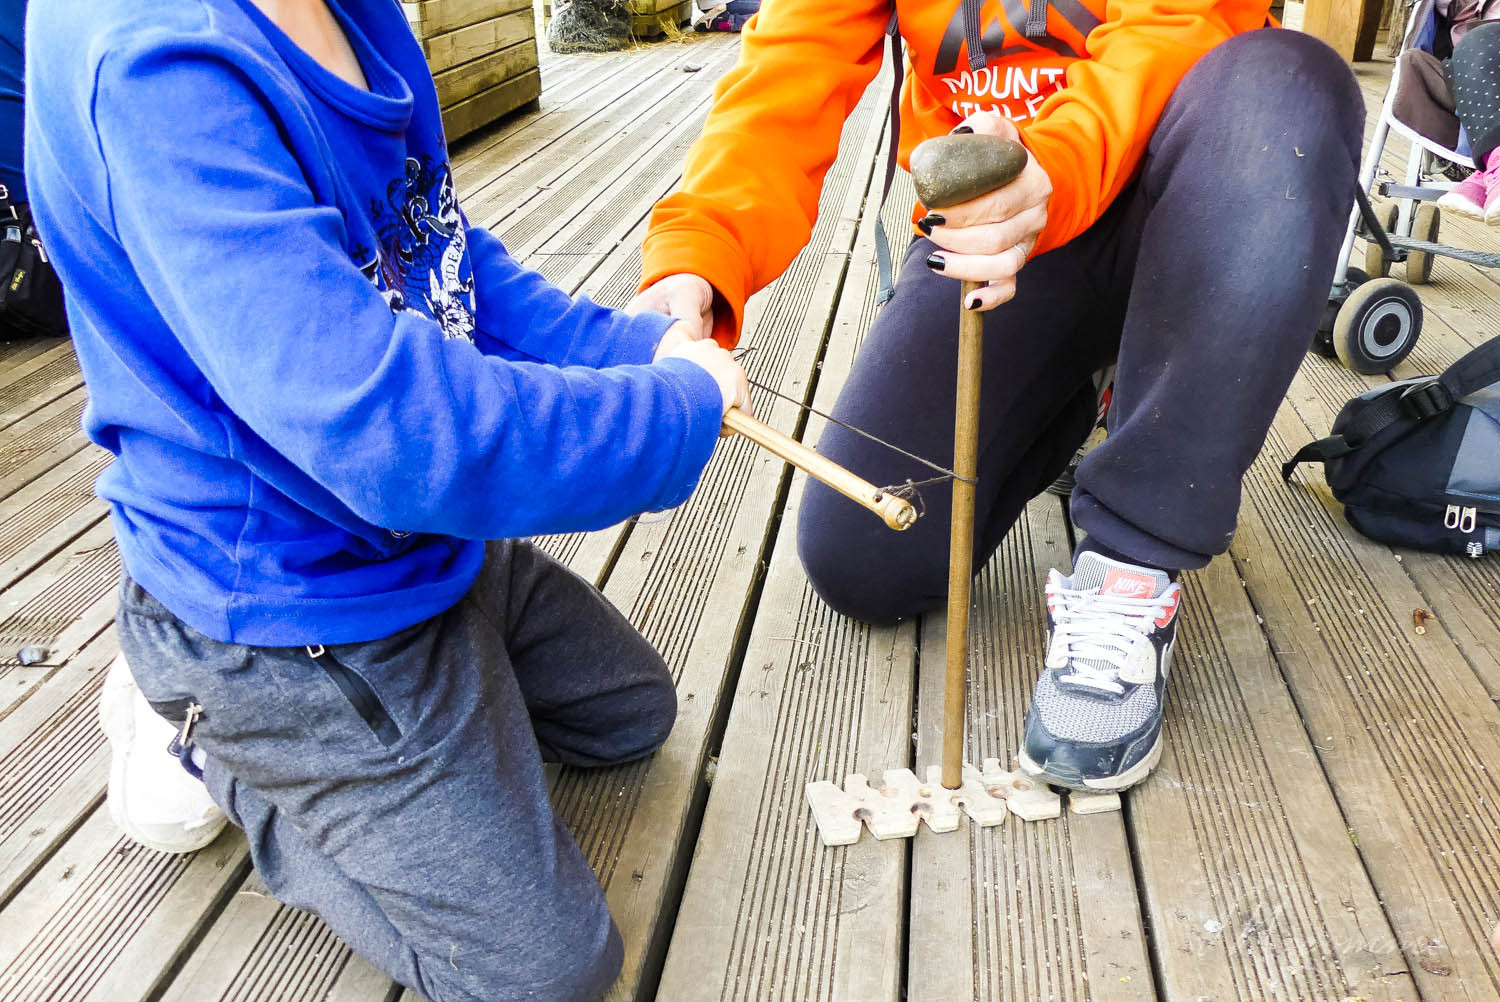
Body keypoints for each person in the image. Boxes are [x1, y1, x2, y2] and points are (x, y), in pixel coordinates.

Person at [25, 0, 748, 999]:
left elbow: (434, 252)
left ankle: (436, 683)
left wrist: (626, 351)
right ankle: (209, 739)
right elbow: (375, 419)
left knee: (630, 715)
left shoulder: (351, 13)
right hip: (287, 609)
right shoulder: (157, 64)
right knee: (546, 972)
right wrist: (664, 419)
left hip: (415, 537)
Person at [632, 1, 1364, 792]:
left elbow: (1174, 27)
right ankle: (1084, 387)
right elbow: (789, 64)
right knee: (864, 557)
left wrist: (1052, 164)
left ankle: (1133, 561)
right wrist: (698, 255)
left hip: (1186, 188)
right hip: (988, 230)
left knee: (1289, 86)